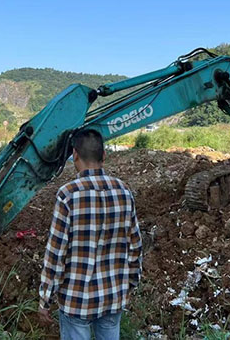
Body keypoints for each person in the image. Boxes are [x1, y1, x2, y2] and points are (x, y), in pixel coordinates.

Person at [38, 129, 142, 340]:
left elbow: (56, 253)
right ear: (104, 155)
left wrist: (45, 299)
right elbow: (135, 246)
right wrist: (130, 284)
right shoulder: (124, 191)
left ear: (75, 155)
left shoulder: (68, 195)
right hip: (113, 296)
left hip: (77, 300)